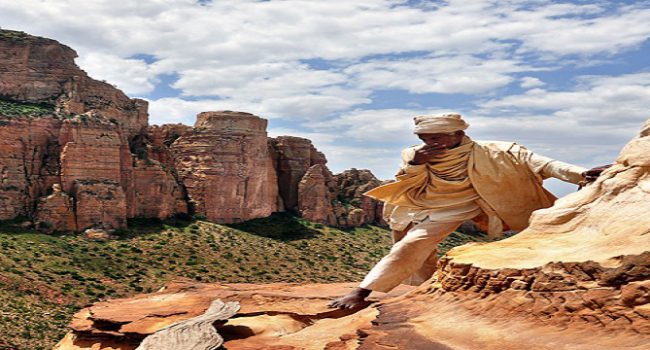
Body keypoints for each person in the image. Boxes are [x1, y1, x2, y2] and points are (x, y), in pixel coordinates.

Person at [329, 113, 610, 309]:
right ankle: (364, 291)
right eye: (426, 138)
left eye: (438, 137)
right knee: (412, 244)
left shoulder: (497, 151)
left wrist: (580, 173)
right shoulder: (414, 153)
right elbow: (407, 180)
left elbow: (543, 164)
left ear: (460, 134)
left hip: (486, 200)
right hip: (437, 207)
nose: (432, 143)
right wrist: (417, 163)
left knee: (544, 231)